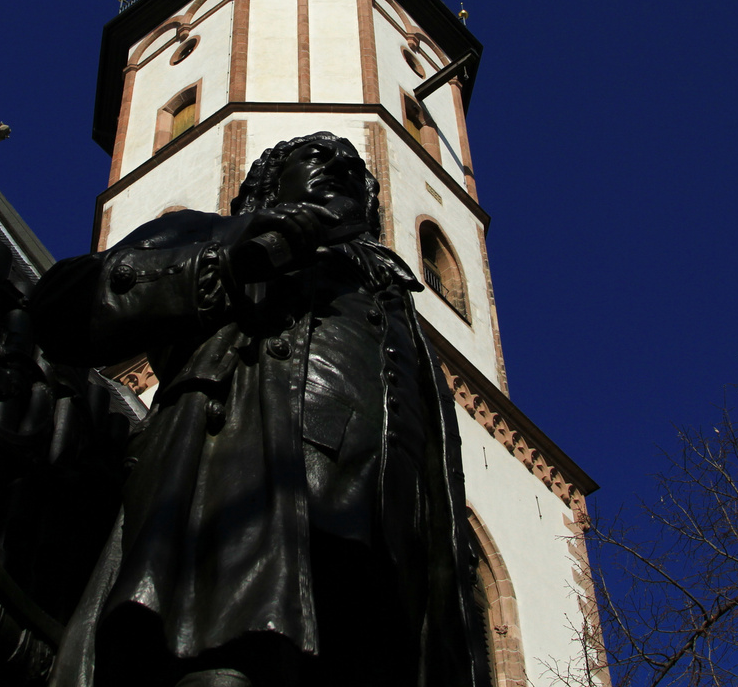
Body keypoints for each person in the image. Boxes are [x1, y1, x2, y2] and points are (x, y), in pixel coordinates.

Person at [30, 132, 486, 687]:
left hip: (385, 575)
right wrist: (226, 260)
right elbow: (59, 307)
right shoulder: (219, 234)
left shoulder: (401, 311)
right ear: (272, 181)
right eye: (317, 156)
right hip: (235, 528)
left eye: (354, 167)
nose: (341, 166)